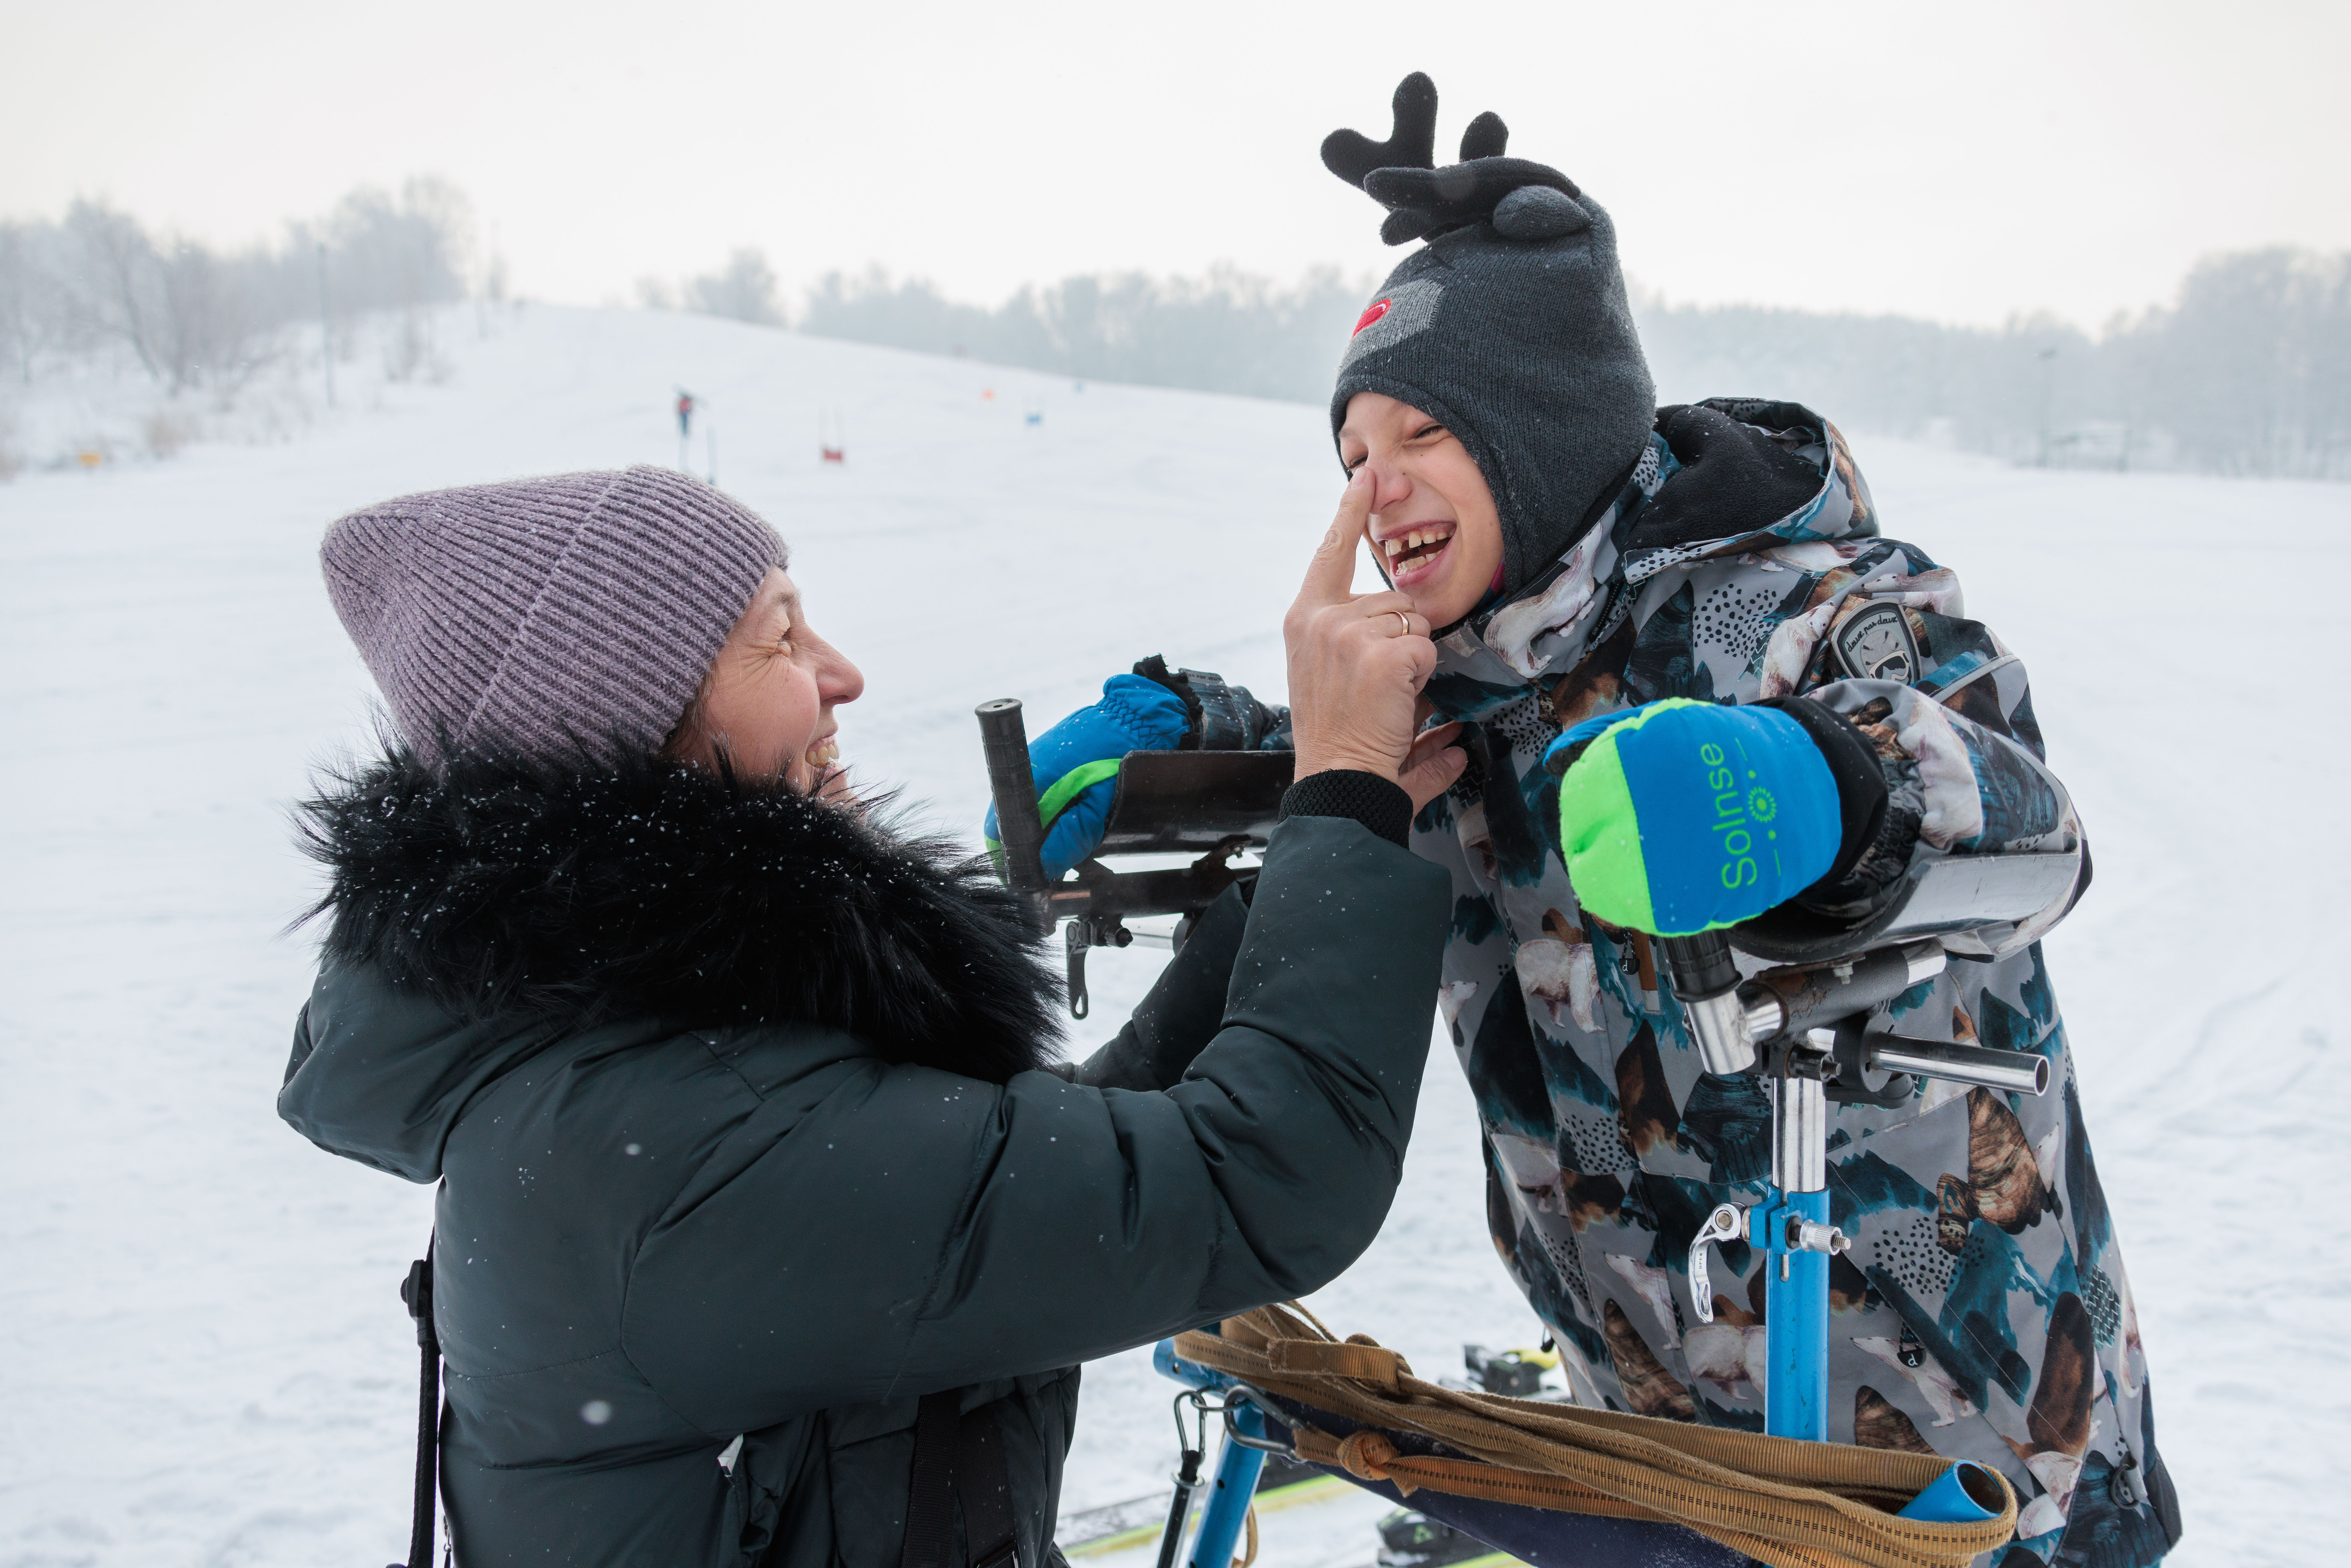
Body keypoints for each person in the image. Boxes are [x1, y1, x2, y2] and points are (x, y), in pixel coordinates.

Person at [1010, 76, 2179, 1566]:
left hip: (1984, 1469)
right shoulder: (1462, 685)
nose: (1377, 491)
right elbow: (1387, 760)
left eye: (1423, 430)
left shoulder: (1802, 603)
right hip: (1663, 1459)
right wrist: (1203, 744)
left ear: (1542, 434)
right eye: (1352, 455)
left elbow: (2024, 822)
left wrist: (1809, 786)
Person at [277, 464, 1461, 1566]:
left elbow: (996, 1183)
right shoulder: (674, 1150)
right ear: (641, 729)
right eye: (779, 637)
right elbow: (1256, 1178)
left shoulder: (637, 1070)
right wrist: (1341, 786)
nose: (842, 674)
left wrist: (1310, 865)